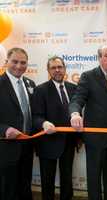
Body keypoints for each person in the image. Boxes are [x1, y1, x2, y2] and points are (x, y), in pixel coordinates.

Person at [69, 44, 107, 200]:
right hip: (95, 138)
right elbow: (77, 99)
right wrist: (75, 114)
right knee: (94, 176)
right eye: (106, 55)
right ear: (99, 58)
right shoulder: (88, 76)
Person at [32, 56, 77, 200]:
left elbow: (77, 113)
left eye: (60, 67)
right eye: (53, 67)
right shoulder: (40, 90)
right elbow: (36, 116)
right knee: (47, 180)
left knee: (67, 178)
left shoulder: (73, 88)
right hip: (47, 142)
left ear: (64, 69)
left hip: (69, 142)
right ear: (48, 70)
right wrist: (44, 123)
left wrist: (79, 138)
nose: (57, 70)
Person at [0, 47, 36, 200]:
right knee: (8, 190)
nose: (19, 66)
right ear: (6, 61)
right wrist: (5, 129)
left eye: (23, 62)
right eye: (15, 61)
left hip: (27, 146)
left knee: (25, 187)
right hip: (6, 148)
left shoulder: (30, 83)